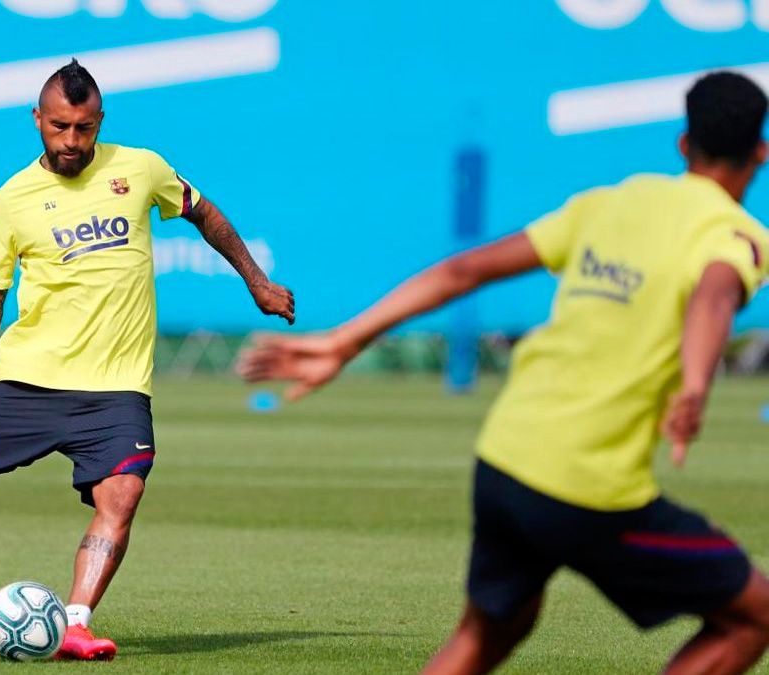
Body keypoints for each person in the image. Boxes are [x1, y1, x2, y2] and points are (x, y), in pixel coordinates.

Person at [237, 71, 769, 675]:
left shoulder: (609, 203)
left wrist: (344, 339)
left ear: (682, 144)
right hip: (587, 487)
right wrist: (697, 383)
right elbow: (716, 293)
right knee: (754, 615)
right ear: (761, 150)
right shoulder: (738, 234)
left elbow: (463, 271)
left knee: (485, 637)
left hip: (506, 458)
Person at [0, 59, 293, 660]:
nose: (72, 141)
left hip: (118, 388)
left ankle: (74, 623)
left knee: (121, 495)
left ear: (100, 121)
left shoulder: (142, 168)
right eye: (58, 127)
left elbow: (205, 213)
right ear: (36, 121)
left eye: (84, 127)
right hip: (30, 380)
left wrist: (256, 281)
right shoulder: (11, 200)